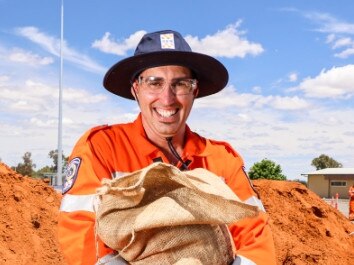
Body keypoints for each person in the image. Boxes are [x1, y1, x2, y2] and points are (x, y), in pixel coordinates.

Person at [58, 29, 276, 265]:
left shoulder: (223, 160)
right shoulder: (102, 148)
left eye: (180, 84)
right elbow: (81, 235)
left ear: (195, 91)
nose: (167, 98)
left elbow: (256, 241)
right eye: (154, 83)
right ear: (135, 89)